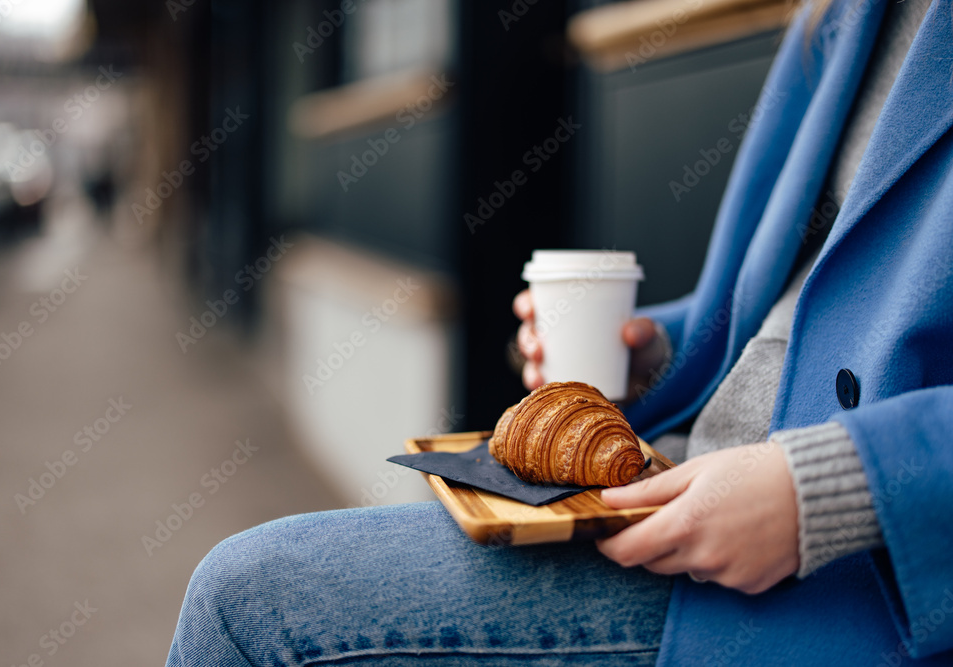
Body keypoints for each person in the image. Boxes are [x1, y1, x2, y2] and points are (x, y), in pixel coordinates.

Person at [166, 0, 953, 664]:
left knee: (245, 604)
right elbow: (799, 305)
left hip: (859, 578)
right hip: (677, 483)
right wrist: (652, 355)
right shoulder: (849, 13)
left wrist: (835, 491)